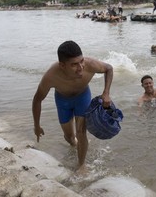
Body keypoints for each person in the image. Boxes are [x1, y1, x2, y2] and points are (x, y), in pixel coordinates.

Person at [32, 40, 113, 174]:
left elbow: (109, 68)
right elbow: (37, 100)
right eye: (74, 64)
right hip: (63, 101)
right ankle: (75, 145)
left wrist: (106, 93)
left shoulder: (90, 64)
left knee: (81, 132)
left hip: (82, 97)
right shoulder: (51, 76)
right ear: (62, 65)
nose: (81, 67)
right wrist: (36, 125)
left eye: (81, 61)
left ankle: (81, 164)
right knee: (69, 137)